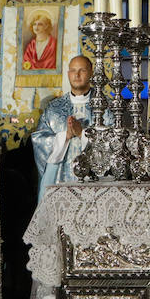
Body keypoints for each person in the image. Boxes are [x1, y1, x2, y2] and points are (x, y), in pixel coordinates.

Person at [32, 56, 97, 201]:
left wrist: (81, 133)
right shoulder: (54, 108)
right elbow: (39, 140)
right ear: (68, 74)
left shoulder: (103, 107)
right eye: (73, 70)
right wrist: (65, 136)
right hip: (59, 177)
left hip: (94, 180)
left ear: (91, 73)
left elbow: (112, 141)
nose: (77, 75)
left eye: (82, 70)